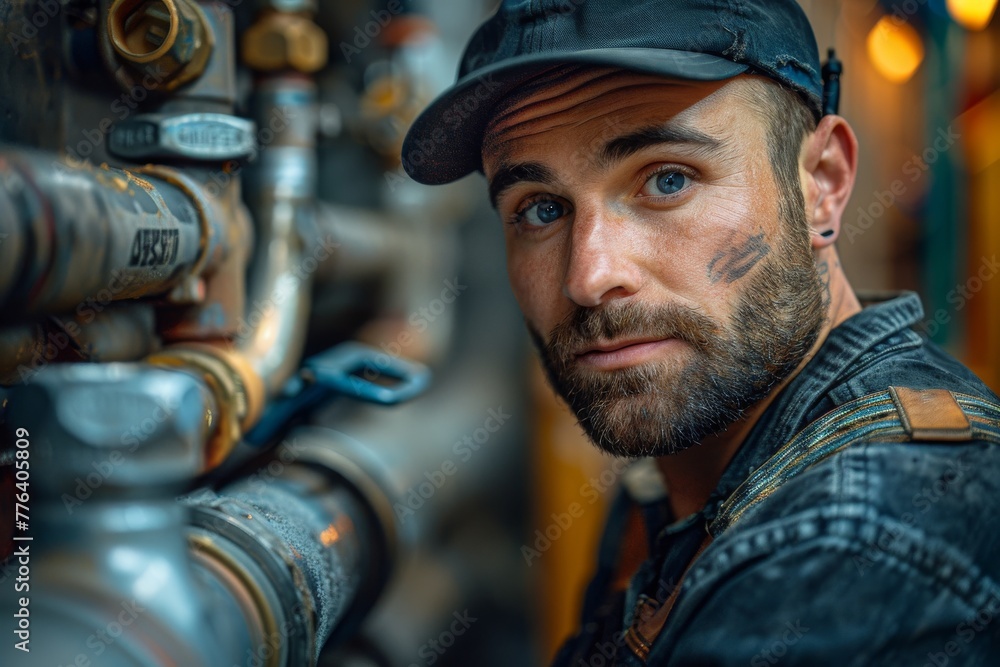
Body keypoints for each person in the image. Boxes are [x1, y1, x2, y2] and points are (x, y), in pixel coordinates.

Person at [401, 0, 1000, 664]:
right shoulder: (677, 479)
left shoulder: (856, 545)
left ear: (822, 184)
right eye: (540, 209)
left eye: (667, 179)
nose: (590, 276)